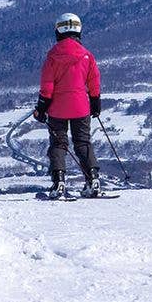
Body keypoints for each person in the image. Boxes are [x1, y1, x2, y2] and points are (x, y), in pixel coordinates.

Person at [34, 12, 102, 198]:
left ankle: (59, 183)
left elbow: (47, 87)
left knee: (58, 144)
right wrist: (95, 103)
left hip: (58, 109)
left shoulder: (52, 57)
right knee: (83, 142)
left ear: (58, 30)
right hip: (81, 107)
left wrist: (41, 109)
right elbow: (94, 82)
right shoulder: (87, 55)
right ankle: (93, 179)